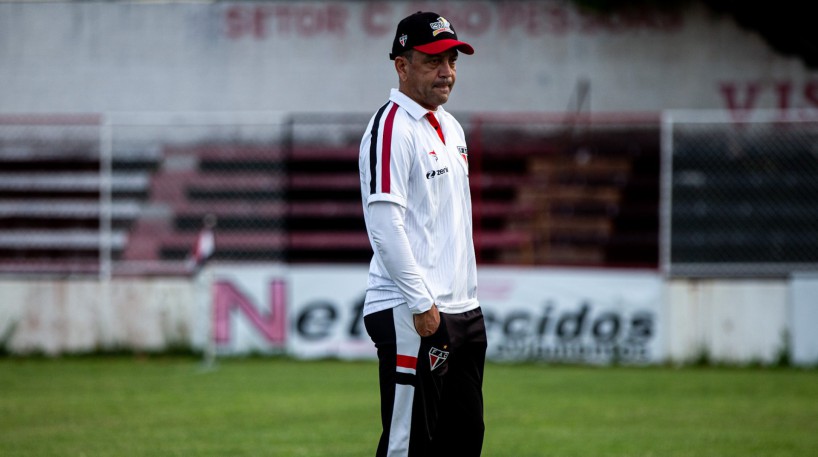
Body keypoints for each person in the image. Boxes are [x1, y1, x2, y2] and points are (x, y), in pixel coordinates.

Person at [358, 11, 487, 457]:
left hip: (463, 312)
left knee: (464, 440)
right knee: (408, 446)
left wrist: (461, 302)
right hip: (413, 312)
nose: (447, 72)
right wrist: (421, 303)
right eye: (433, 60)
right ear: (402, 64)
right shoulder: (391, 127)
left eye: (452, 59)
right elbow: (384, 225)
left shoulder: (450, 126)